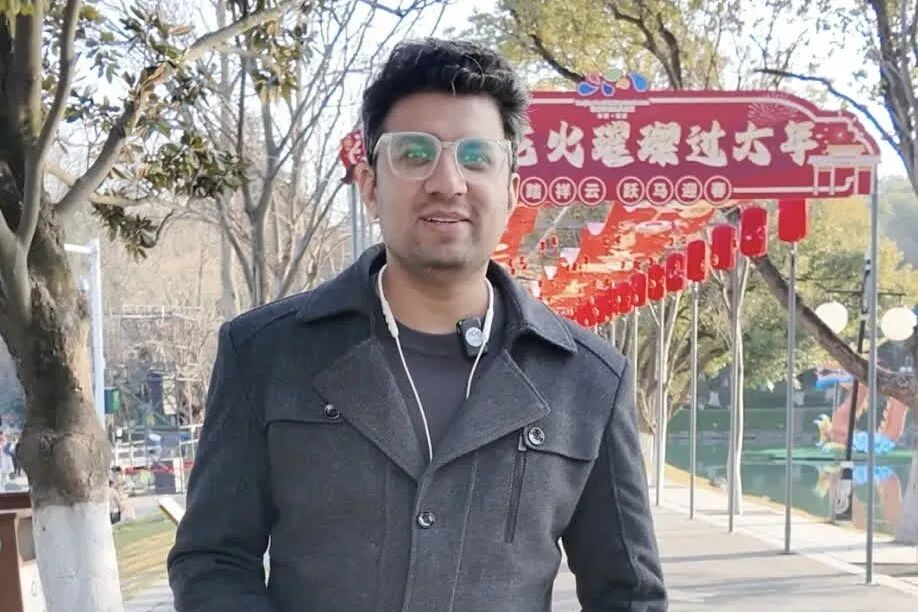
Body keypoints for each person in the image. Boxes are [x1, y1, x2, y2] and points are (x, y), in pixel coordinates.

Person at [168, 38, 666, 612]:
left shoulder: (587, 380)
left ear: (511, 190)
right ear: (370, 184)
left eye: (476, 157)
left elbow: (629, 593)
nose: (447, 182)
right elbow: (213, 561)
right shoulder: (266, 354)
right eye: (413, 154)